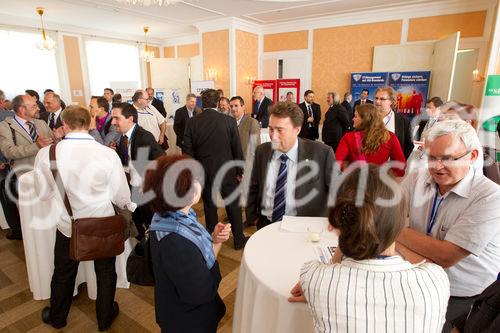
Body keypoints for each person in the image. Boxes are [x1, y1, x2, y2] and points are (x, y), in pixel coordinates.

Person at [289, 165, 450, 333]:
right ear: (401, 221)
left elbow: (330, 268)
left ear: (339, 222)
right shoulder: (436, 280)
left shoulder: (314, 276)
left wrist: (350, 235)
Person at [33, 105, 136, 331]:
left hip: (69, 226)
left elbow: (43, 195)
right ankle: (105, 318)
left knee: (62, 273)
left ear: (65, 125)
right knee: (106, 273)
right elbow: (121, 197)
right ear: (89, 124)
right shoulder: (107, 154)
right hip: (103, 223)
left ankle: (58, 317)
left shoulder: (47, 154)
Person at [396, 119, 500, 332]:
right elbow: (384, 217)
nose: (437, 166)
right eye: (431, 157)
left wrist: (394, 233)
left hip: (461, 296)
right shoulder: (417, 178)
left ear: (472, 156)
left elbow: (446, 256)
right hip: (413, 280)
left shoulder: (491, 197)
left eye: (448, 158)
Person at [145, 154, 230, 333]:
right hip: (188, 320)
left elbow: (196, 260)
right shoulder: (175, 241)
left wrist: (215, 241)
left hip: (178, 310)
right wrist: (214, 270)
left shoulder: (172, 215)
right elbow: (201, 292)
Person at [247, 101, 336, 229]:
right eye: (271, 129)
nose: (273, 136)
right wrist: (253, 217)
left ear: (297, 130)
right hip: (266, 225)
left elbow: (339, 192)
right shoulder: (262, 151)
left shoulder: (322, 154)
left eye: (280, 130)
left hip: (305, 229)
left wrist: (336, 222)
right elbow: (253, 186)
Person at [183, 89, 248, 249]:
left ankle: (212, 241)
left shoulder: (192, 122)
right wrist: (240, 172)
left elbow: (187, 153)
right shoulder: (229, 121)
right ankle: (239, 240)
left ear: (201, 102)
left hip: (203, 173)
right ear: (218, 102)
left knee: (209, 207)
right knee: (233, 205)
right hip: (228, 171)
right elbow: (237, 149)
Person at [0, 95, 54, 239]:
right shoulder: (5, 127)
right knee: (34, 214)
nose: (38, 108)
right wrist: (35, 146)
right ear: (21, 109)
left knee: (50, 211)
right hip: (25, 177)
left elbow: (51, 141)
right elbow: (9, 152)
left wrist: (57, 135)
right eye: (33, 106)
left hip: (48, 174)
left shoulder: (41, 123)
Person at [111, 102, 165, 239]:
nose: (113, 122)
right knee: (138, 226)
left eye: (117, 118)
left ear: (130, 119)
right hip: (132, 190)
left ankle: (152, 254)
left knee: (152, 228)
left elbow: (161, 161)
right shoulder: (123, 137)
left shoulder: (143, 137)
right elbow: (129, 161)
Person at [335, 104, 406, 177]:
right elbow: (400, 168)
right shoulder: (390, 137)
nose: (352, 119)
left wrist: (347, 171)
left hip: (354, 183)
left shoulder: (348, 137)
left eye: (356, 116)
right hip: (379, 184)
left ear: (365, 119)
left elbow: (336, 165)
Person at [374, 86, 414, 159]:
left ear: (392, 101)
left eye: (382, 99)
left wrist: (399, 163)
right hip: (368, 166)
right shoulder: (366, 118)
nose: (377, 101)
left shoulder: (403, 121)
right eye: (376, 98)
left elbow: (408, 145)